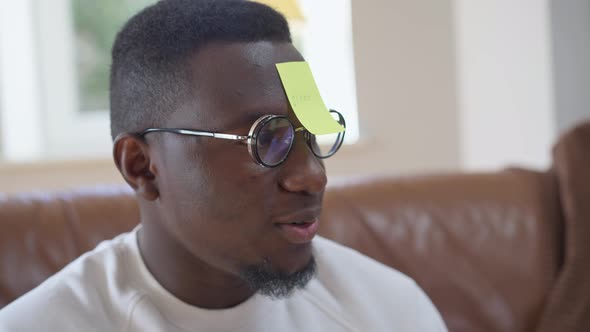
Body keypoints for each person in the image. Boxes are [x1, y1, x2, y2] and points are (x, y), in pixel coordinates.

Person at [0, 1, 447, 331]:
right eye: (267, 139)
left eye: (312, 133)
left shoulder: (388, 312)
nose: (313, 175)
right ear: (143, 167)